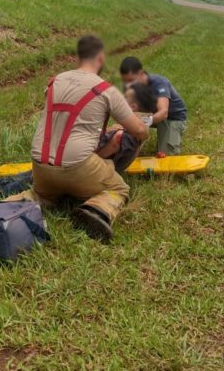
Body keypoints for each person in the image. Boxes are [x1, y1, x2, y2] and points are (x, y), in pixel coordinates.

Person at [8, 35, 149, 242]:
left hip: (40, 165)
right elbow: (138, 130)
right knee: (119, 188)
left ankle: (6, 204)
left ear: (78, 56)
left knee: (41, 195)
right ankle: (95, 211)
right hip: (77, 167)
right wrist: (145, 130)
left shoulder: (54, 82)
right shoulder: (105, 90)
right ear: (100, 58)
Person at [0, 82, 157, 198]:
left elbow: (106, 151)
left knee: (46, 175)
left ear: (133, 107)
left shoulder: (127, 133)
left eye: (124, 100)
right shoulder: (133, 127)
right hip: (92, 166)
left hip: (92, 171)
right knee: (38, 171)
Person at [119, 57, 188, 155]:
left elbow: (164, 113)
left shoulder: (158, 83)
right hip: (151, 114)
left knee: (166, 156)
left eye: (131, 80)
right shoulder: (131, 87)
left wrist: (144, 122)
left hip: (172, 118)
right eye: (125, 81)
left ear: (141, 74)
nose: (128, 85)